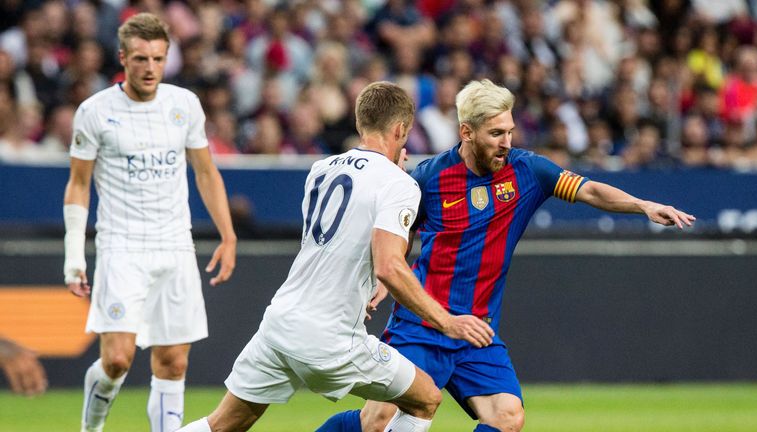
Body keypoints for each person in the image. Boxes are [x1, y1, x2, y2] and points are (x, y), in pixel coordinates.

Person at [319, 79, 695, 432]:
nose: (506, 142)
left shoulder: (527, 170)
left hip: (478, 331)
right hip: (422, 325)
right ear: (467, 132)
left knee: (508, 416)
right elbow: (398, 236)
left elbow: (590, 191)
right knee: (377, 422)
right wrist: (383, 283)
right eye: (496, 133)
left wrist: (643, 205)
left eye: (510, 131)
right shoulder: (429, 178)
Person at [177, 81, 495, 432]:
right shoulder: (398, 184)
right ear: (401, 130)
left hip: (280, 324)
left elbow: (344, 242)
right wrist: (447, 321)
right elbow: (390, 265)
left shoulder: (321, 170)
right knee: (425, 399)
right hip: (329, 337)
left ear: (361, 125)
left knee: (222, 424)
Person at [62, 13, 237, 432]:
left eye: (158, 59)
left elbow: (206, 172)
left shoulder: (183, 105)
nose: (150, 68)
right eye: (141, 59)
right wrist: (74, 255)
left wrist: (228, 235)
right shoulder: (95, 112)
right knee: (117, 360)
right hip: (121, 246)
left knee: (174, 362)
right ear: (123, 57)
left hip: (175, 246)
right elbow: (78, 185)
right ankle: (91, 426)